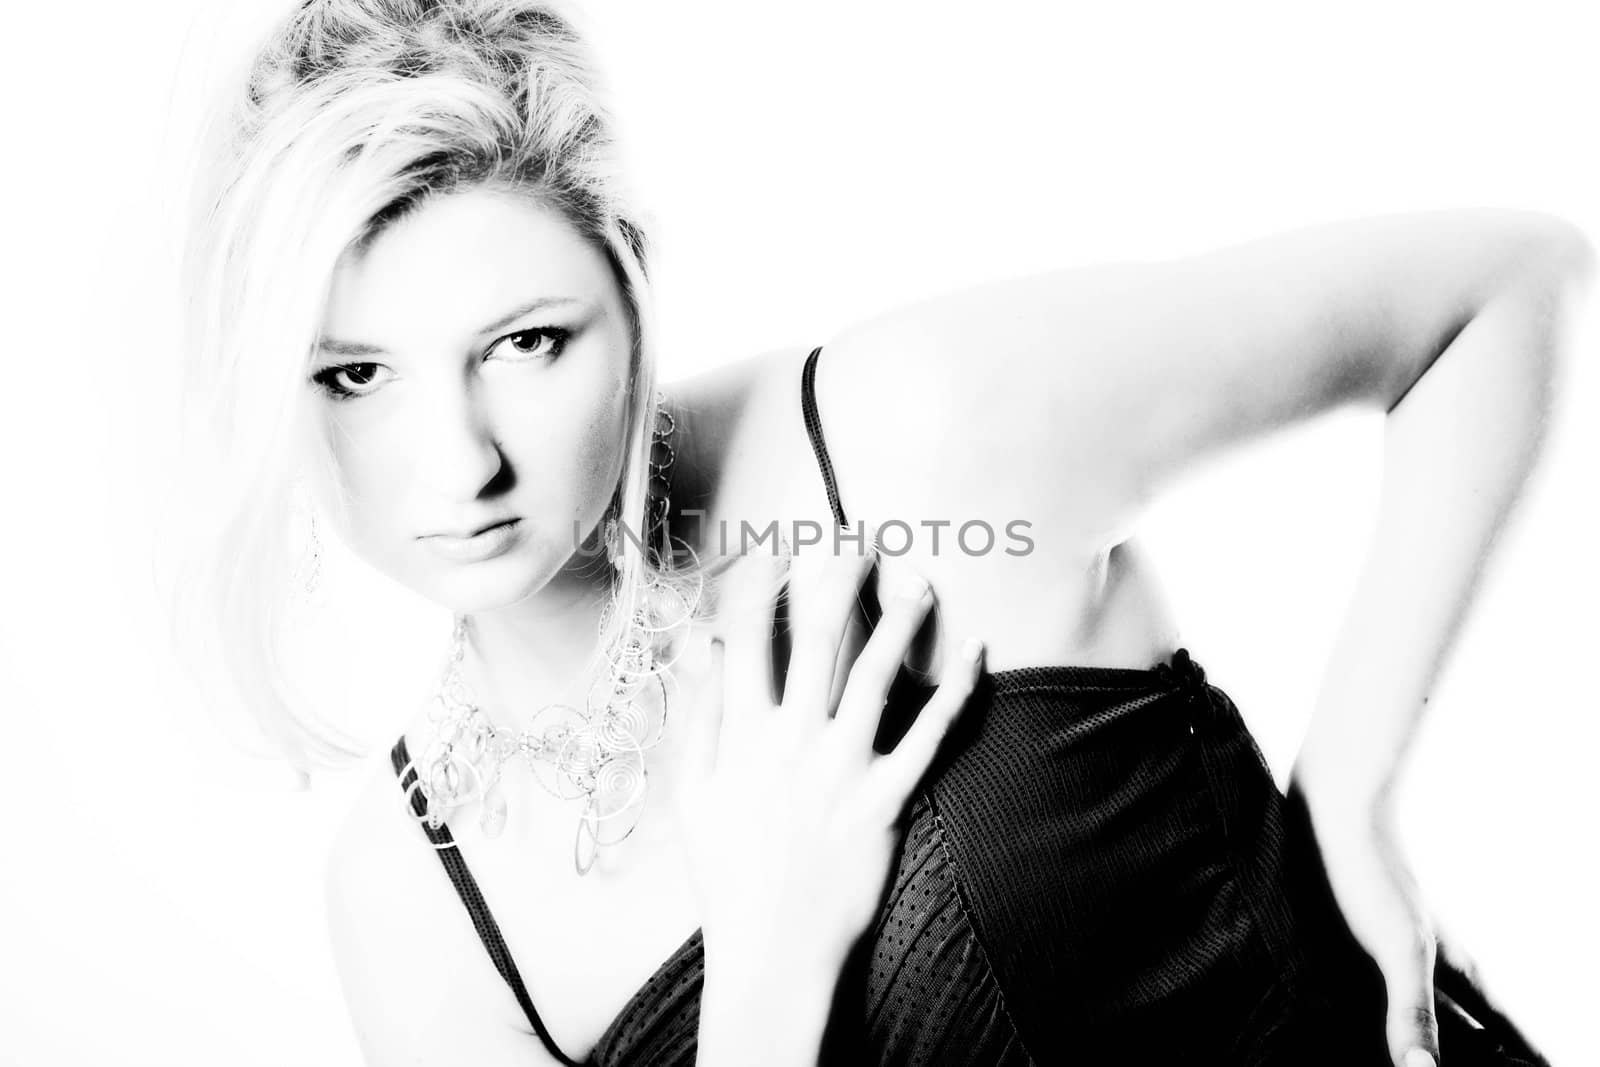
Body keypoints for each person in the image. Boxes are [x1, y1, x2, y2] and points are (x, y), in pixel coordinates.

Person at [167, 0, 1592, 1064]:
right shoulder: (412, 901)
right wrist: (771, 981)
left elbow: (1504, 292)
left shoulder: (912, 439)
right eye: (355, 375)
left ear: (634, 292)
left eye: (529, 343)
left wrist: (1352, 781)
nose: (457, 462)